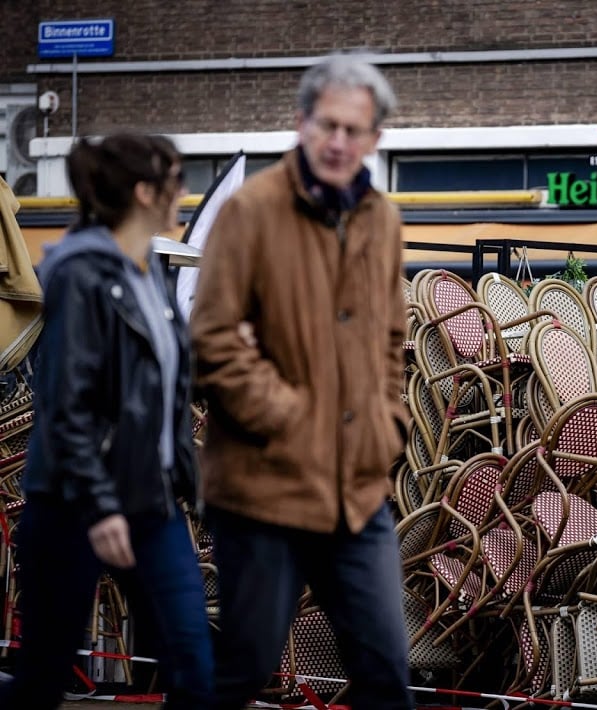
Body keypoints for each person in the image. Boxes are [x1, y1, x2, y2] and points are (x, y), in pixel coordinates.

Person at [189, 56, 413, 709]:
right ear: (301, 123)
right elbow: (213, 338)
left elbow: (392, 342)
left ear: (374, 139)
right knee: (244, 669)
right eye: (327, 126)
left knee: (384, 671)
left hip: (358, 490)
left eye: (355, 129)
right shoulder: (251, 212)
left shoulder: (384, 220)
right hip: (265, 491)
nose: (339, 141)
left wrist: (387, 425)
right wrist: (287, 416)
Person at [0, 133, 213, 709]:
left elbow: (165, 397)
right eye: (175, 180)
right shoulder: (81, 272)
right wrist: (99, 506)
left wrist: (194, 486)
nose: (184, 193)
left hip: (150, 503)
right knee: (45, 675)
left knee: (192, 664)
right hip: (76, 505)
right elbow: (66, 406)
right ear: (145, 192)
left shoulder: (150, 276)